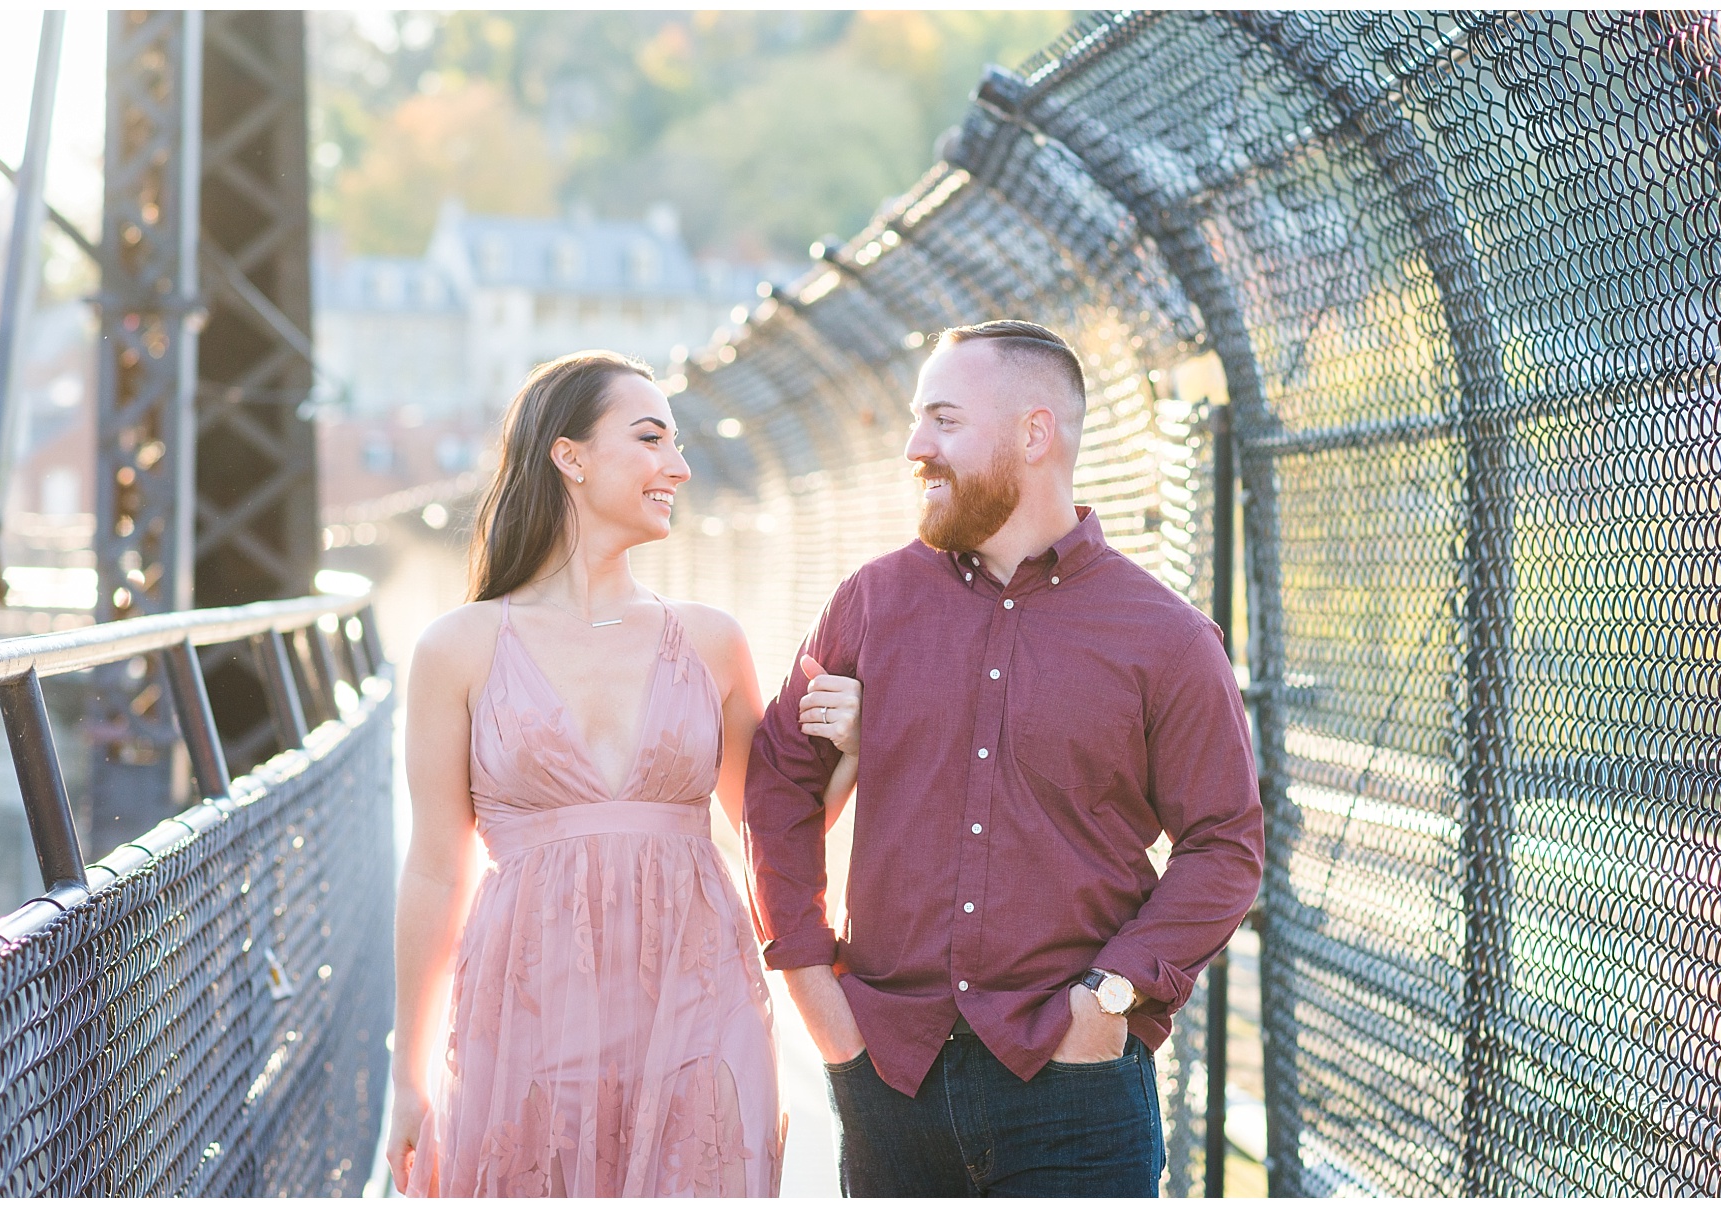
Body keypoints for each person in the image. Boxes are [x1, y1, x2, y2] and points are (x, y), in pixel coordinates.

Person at [743, 320, 1264, 1197]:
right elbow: (778, 782)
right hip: (891, 1086)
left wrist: (1106, 1002)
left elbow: (1226, 843)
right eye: (918, 421)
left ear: (1034, 432)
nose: (915, 446)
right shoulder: (872, 603)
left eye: (943, 420)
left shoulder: (1166, 638)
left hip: (1076, 1094)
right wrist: (812, 990)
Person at [385, 351, 865, 1197]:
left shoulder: (711, 641)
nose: (677, 466)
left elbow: (771, 834)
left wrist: (853, 752)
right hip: (525, 1006)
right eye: (650, 439)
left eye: (677, 444)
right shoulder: (457, 647)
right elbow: (433, 868)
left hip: (697, 997)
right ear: (569, 458)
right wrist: (407, 1073)